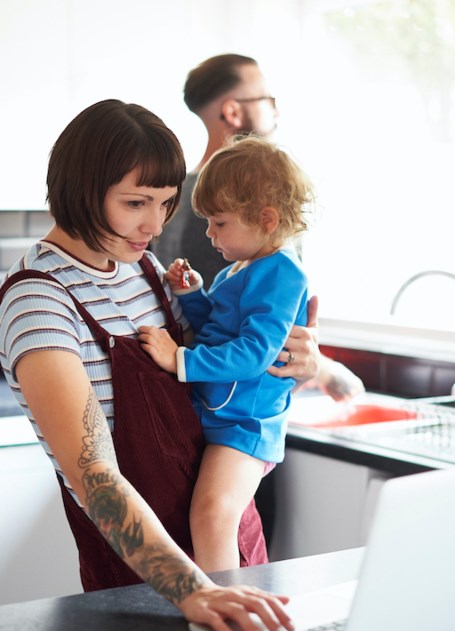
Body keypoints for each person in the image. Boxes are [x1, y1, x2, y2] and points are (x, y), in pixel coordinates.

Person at [0, 99, 325, 631]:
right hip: (148, 588)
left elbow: (218, 360)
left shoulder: (139, 266)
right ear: (81, 190)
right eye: (135, 202)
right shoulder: (39, 303)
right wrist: (197, 590)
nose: (154, 224)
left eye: (166, 203)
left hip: (230, 548)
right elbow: (95, 478)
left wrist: (298, 361)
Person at [139, 136, 311, 573]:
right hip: (222, 417)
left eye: (219, 223)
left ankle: (221, 611)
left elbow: (255, 352)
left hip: (244, 426)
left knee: (213, 514)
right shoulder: (243, 266)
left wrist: (179, 359)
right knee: (208, 517)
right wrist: (193, 293)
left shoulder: (282, 272)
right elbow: (218, 327)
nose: (210, 234)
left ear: (266, 218)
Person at [153, 53, 364, 401]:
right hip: (232, 400)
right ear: (234, 111)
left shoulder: (172, 196)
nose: (276, 111)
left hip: (198, 394)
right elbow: (240, 330)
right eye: (268, 100)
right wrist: (321, 370)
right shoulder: (238, 212)